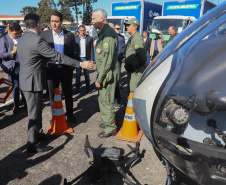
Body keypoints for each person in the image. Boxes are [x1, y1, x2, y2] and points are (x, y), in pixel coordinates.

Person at [18, 13, 93, 153]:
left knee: (37, 110)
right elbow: (56, 56)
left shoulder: (22, 38)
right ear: (38, 24)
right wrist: (80, 64)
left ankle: (38, 133)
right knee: (34, 113)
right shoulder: (37, 40)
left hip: (27, 80)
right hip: (33, 82)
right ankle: (31, 144)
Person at [42, 11, 79, 124]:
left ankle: (71, 115)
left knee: (68, 93)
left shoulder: (69, 35)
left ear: (61, 22)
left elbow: (74, 52)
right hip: (51, 69)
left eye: (56, 21)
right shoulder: (44, 35)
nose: (54, 24)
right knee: (52, 95)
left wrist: (72, 67)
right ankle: (55, 116)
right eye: (52, 21)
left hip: (65, 69)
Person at [92, 9, 120, 138]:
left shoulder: (108, 34)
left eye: (93, 19)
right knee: (102, 99)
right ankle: (108, 122)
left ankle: (110, 128)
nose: (92, 21)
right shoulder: (103, 33)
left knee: (106, 100)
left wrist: (99, 78)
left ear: (102, 19)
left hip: (106, 74)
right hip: (104, 72)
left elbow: (107, 61)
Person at [0, 22, 26, 114]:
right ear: (10, 31)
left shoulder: (21, 38)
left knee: (24, 85)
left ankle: (25, 102)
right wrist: (12, 52)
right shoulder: (3, 40)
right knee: (15, 86)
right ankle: (16, 105)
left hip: (23, 65)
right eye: (16, 33)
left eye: (19, 32)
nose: (18, 34)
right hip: (12, 67)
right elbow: (2, 55)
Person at [124, 18, 146, 93]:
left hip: (136, 70)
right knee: (130, 91)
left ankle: (132, 105)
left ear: (135, 27)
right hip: (132, 69)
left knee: (133, 92)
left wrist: (143, 64)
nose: (126, 27)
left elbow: (141, 54)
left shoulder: (137, 38)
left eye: (128, 25)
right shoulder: (132, 37)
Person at [75, 25, 94, 94]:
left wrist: (92, 59)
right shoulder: (75, 38)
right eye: (81, 30)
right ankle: (77, 89)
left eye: (83, 30)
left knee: (87, 74)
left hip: (86, 59)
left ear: (85, 30)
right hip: (78, 59)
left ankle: (88, 88)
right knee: (78, 75)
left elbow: (92, 49)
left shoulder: (89, 38)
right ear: (78, 31)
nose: (82, 32)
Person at [114, 24, 125, 108]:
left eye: (119, 29)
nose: (118, 30)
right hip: (111, 62)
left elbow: (120, 51)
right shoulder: (110, 37)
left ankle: (117, 100)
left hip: (117, 61)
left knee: (116, 81)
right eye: (117, 28)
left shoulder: (120, 38)